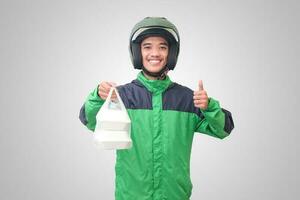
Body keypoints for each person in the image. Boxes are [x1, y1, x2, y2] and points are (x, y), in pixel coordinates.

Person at [79, 17, 234, 200]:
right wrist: (97, 97)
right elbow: (90, 121)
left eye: (162, 47)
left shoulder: (187, 100)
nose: (155, 53)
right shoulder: (122, 96)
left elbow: (224, 129)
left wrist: (209, 107)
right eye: (147, 47)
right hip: (132, 196)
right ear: (137, 52)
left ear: (171, 53)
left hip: (174, 195)